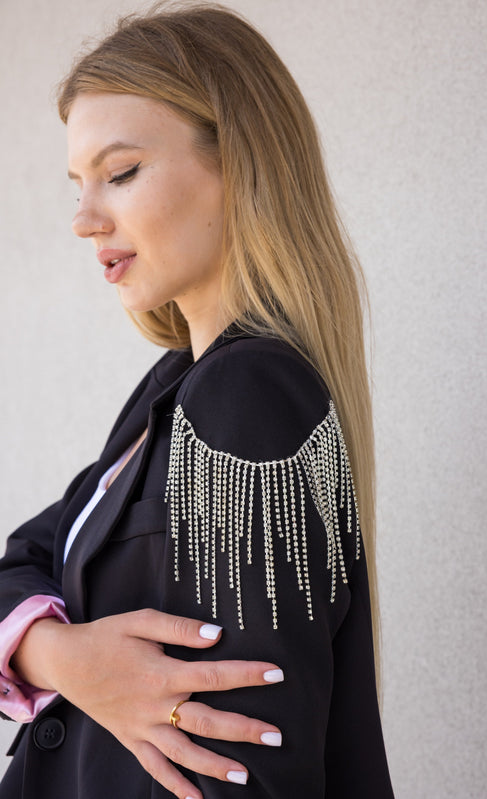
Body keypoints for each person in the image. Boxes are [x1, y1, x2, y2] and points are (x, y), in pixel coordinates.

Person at [0, 4, 394, 798]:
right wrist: (64, 658)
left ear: (239, 165)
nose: (84, 219)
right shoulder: (173, 387)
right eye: (79, 184)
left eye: (120, 172)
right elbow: (21, 561)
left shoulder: (249, 396)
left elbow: (254, 760)